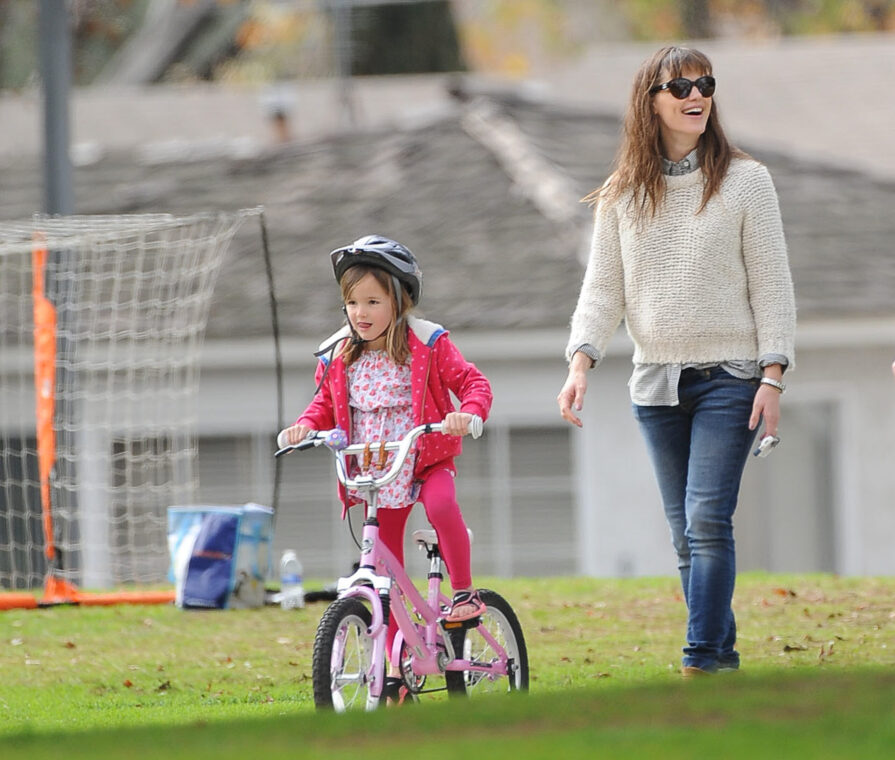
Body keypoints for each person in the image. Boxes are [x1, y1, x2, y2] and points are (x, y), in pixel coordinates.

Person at [557, 46, 796, 677]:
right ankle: (721, 660)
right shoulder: (622, 196)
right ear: (651, 101)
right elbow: (603, 289)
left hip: (732, 378)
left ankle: (695, 660)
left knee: (707, 521)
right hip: (655, 384)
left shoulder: (748, 181)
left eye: (705, 84)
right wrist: (581, 360)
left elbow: (772, 285)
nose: (696, 95)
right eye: (680, 85)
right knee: (686, 538)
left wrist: (773, 375)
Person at [278, 235, 492, 693]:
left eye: (373, 300)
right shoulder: (339, 354)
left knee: (441, 505)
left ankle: (464, 594)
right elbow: (324, 406)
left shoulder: (427, 343)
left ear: (400, 300)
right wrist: (303, 426)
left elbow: (472, 382)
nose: (361, 312)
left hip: (425, 458)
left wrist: (468, 413)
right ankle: (395, 671)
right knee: (384, 571)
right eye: (352, 302)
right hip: (376, 471)